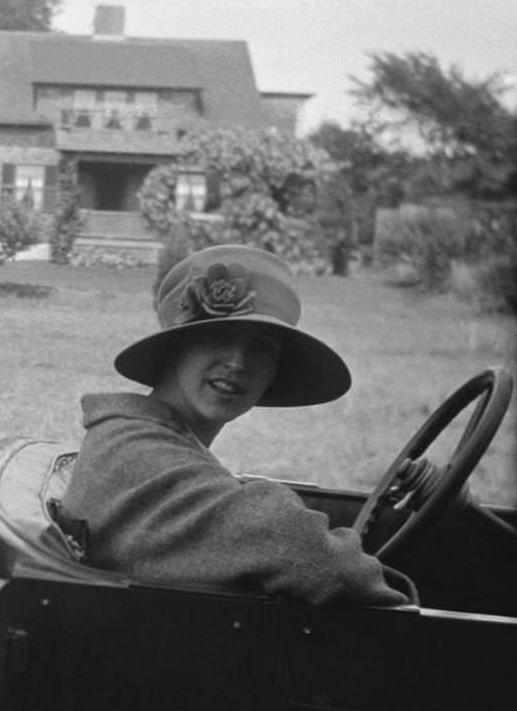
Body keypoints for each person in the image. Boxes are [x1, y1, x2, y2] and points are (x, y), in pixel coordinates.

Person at [58, 244, 412, 606]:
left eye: (262, 347)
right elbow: (330, 566)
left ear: (276, 370)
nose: (238, 362)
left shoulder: (139, 438)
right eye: (218, 337)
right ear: (176, 347)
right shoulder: (137, 456)